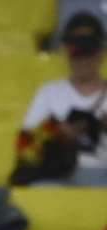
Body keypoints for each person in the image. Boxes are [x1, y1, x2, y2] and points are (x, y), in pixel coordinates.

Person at [11, 11, 107, 186]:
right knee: (39, 189)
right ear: (66, 53)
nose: (82, 60)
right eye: (76, 54)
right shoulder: (49, 92)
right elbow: (24, 149)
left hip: (103, 172)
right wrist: (55, 133)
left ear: (101, 53)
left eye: (88, 53)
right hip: (58, 174)